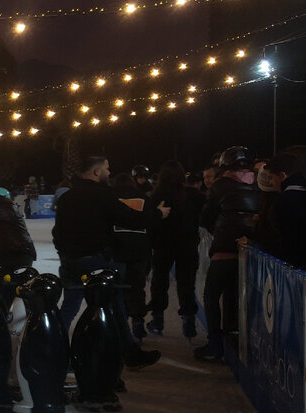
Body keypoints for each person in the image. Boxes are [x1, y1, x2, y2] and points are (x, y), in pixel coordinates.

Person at [52, 155, 168, 369]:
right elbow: (131, 219)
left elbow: (57, 232)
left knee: (69, 306)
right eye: (106, 169)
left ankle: (53, 348)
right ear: (96, 171)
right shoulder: (102, 195)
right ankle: (129, 352)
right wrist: (158, 213)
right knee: (115, 306)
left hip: (70, 262)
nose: (109, 173)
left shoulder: (67, 197)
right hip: (96, 261)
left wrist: (65, 254)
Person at [196, 146, 261, 361]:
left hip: (225, 249)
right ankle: (234, 339)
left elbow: (206, 216)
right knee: (237, 297)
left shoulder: (221, 185)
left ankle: (215, 344)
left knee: (212, 295)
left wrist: (219, 228)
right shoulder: (258, 184)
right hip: (252, 250)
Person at [146, 161, 207, 338]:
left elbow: (151, 221)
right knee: (187, 283)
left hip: (162, 246)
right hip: (188, 245)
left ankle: (157, 321)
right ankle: (189, 324)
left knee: (159, 282)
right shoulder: (194, 195)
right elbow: (205, 217)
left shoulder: (156, 195)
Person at [109, 172, 153, 342]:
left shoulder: (111, 197)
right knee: (137, 287)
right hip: (139, 249)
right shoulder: (143, 197)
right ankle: (138, 322)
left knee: (118, 289)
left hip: (117, 249)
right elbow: (151, 221)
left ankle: (120, 324)